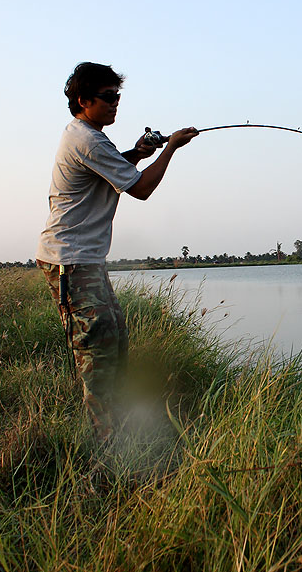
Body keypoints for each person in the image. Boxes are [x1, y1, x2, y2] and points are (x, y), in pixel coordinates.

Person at [36, 62, 198, 441]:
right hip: (69, 262)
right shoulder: (87, 139)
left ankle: (115, 428)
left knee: (115, 338)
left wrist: (139, 152)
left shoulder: (88, 136)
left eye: (117, 97)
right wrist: (170, 149)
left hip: (83, 260)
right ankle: (104, 444)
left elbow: (114, 169)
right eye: (108, 98)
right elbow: (140, 189)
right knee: (98, 350)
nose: (115, 105)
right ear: (83, 100)